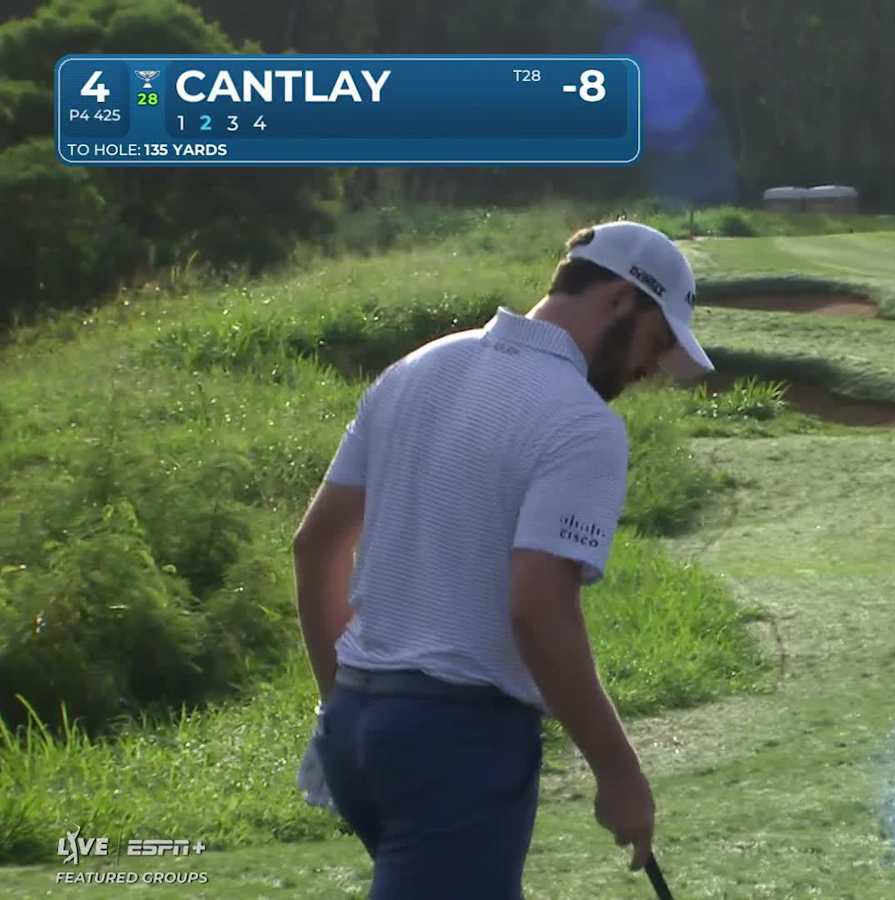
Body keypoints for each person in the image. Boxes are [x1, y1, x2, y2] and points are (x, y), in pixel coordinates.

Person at [291, 221, 713, 899]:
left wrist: (340, 702)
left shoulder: (416, 367)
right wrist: (620, 774)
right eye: (657, 342)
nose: (651, 370)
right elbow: (538, 609)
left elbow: (316, 546)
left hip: (359, 728)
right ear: (621, 301)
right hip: (456, 743)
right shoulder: (582, 423)